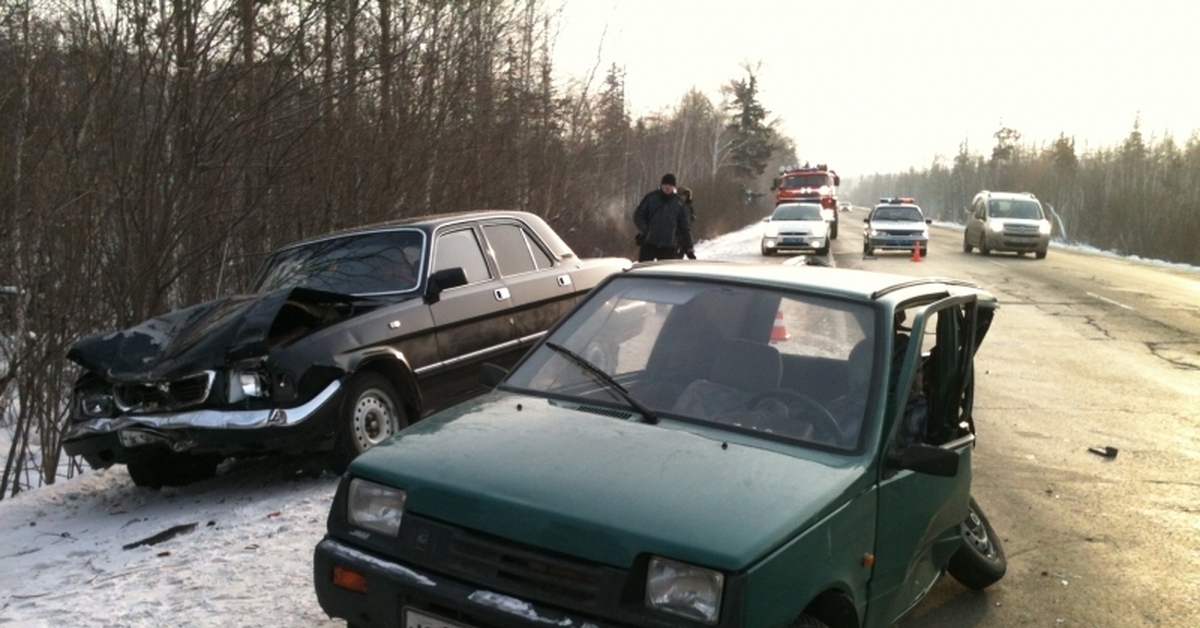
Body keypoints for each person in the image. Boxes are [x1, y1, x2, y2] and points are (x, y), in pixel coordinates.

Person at [633, 173, 694, 262]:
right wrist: (647, 230)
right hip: (649, 243)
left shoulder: (679, 204)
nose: (667, 187)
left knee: (665, 273)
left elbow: (685, 227)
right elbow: (638, 215)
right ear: (661, 185)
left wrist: (689, 246)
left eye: (670, 185)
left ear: (674, 187)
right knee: (644, 271)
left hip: (668, 246)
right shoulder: (651, 198)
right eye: (665, 184)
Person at [676, 186, 697, 259]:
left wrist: (690, 245)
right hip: (675, 238)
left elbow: (688, 225)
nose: (684, 198)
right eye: (682, 196)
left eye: (686, 196)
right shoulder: (674, 206)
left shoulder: (688, 207)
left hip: (685, 236)